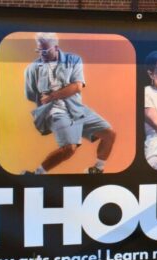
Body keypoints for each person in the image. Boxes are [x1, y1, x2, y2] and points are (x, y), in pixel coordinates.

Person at [23, 33, 115, 175]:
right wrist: (52, 100)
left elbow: (77, 86)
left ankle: (97, 169)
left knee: (109, 134)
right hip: (53, 110)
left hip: (76, 109)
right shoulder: (32, 69)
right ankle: (37, 174)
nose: (42, 54)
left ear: (56, 47)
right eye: (39, 50)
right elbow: (31, 94)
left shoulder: (73, 60)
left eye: (45, 50)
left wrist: (51, 96)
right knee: (69, 148)